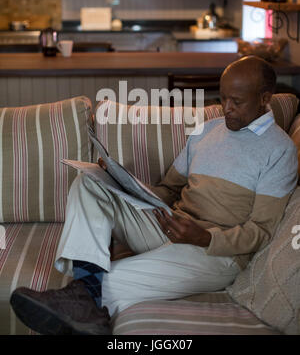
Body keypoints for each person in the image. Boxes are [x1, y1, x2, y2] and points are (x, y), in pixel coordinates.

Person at [10, 56, 298, 335]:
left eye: (237, 101)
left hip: (215, 252)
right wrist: (120, 182)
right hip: (168, 224)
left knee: (105, 282)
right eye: (222, 98)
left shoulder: (280, 151)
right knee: (89, 183)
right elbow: (169, 187)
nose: (226, 109)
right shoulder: (207, 130)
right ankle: (85, 301)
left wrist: (204, 237)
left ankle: (83, 295)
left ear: (264, 98)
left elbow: (261, 231)